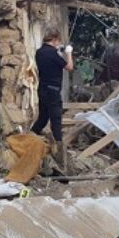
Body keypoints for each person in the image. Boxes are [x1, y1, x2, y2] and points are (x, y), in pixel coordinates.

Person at [31, 27, 74, 158]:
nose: (59, 44)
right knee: (56, 119)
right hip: (53, 90)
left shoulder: (39, 52)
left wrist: (58, 52)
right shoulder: (53, 53)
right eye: (58, 41)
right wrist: (69, 53)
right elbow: (69, 67)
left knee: (43, 117)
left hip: (42, 89)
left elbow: (51, 62)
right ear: (55, 40)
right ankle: (59, 147)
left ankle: (31, 135)